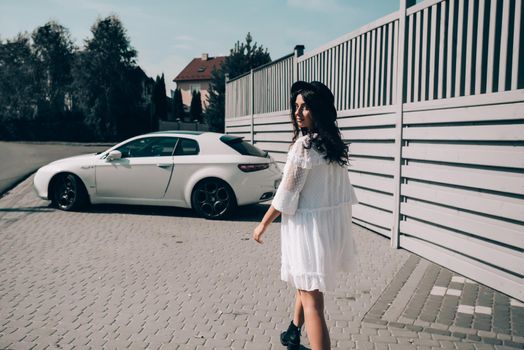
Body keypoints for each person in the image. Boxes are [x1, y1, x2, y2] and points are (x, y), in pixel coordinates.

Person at [252, 80, 359, 350]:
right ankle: (292, 331)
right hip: (327, 230)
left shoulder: (304, 147)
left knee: (313, 303)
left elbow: (285, 196)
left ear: (319, 110)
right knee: (307, 284)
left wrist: (262, 225)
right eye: (296, 106)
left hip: (308, 230)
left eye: (306, 107)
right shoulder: (331, 145)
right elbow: (342, 193)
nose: (298, 113)